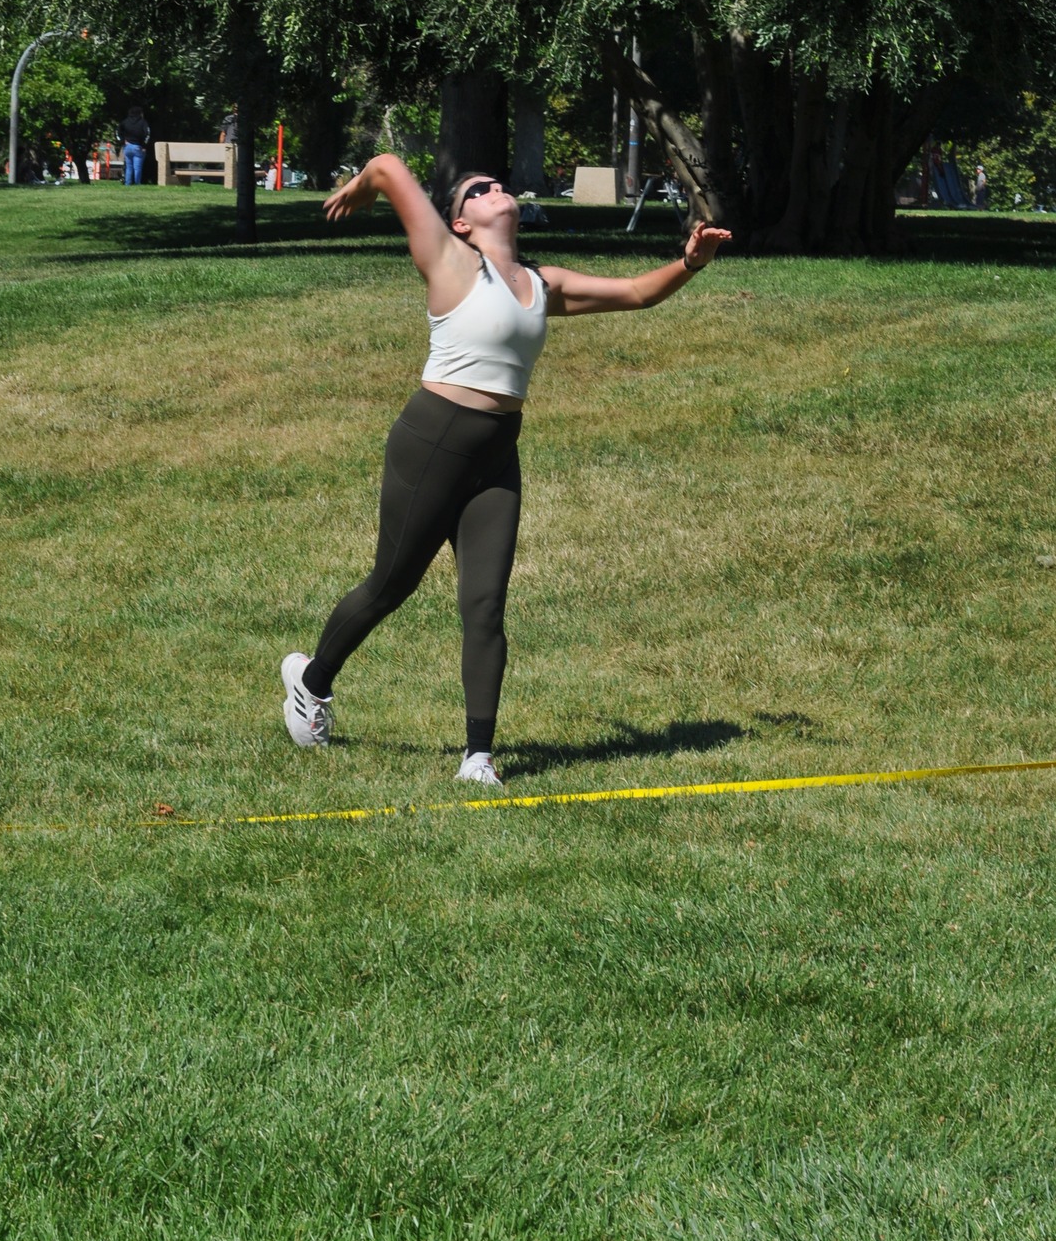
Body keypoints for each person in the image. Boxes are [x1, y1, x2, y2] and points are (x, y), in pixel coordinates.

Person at [279, 157, 731, 787]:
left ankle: (478, 757)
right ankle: (311, 680)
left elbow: (636, 293)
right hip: (432, 441)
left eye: (499, 184)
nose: (496, 189)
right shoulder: (449, 258)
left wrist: (690, 263)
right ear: (460, 222)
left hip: (496, 454)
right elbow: (386, 165)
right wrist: (357, 188)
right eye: (479, 190)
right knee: (391, 585)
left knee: (486, 603)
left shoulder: (542, 284)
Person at [117, 105, 150, 185]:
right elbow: (147, 134)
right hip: (138, 147)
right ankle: (137, 183)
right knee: (137, 167)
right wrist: (144, 145)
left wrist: (122, 141)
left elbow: (118, 131)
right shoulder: (143, 122)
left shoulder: (125, 121)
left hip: (127, 146)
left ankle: (127, 183)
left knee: (129, 167)